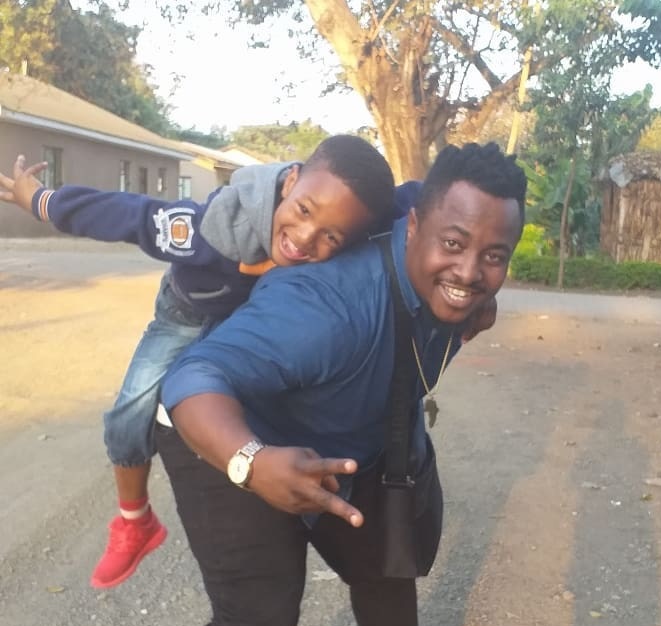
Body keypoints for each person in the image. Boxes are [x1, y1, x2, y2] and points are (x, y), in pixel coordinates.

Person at [155, 141, 527, 626]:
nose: (469, 271)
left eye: (494, 256)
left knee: (385, 543)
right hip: (225, 430)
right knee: (258, 614)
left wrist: (477, 301)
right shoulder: (326, 306)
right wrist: (251, 461)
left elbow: (464, 280)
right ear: (415, 224)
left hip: (342, 426)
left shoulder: (454, 287)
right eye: (454, 244)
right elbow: (192, 380)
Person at [0, 135, 396, 589]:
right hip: (185, 319)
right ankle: (135, 522)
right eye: (304, 211)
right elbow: (129, 215)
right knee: (128, 415)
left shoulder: (350, 217)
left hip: (245, 326)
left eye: (332, 236)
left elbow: (412, 209)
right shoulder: (211, 226)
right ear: (290, 182)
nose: (306, 238)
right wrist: (44, 201)